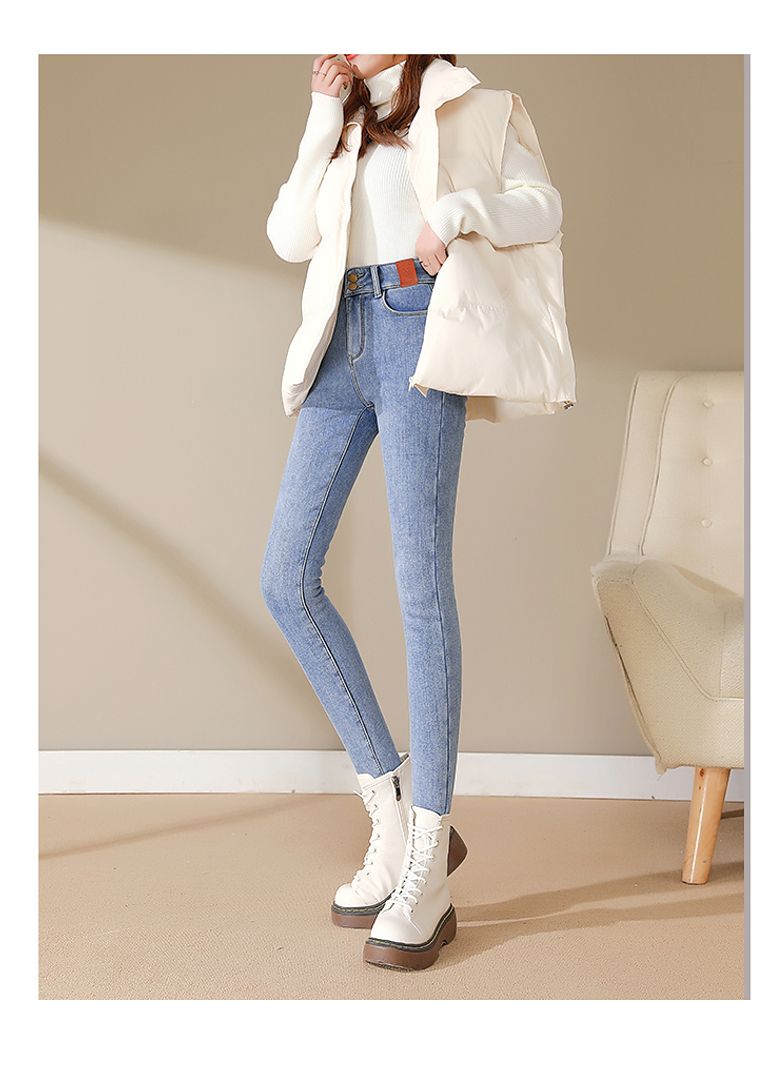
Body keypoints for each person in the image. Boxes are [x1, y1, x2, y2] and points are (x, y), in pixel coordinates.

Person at [260, 54, 576, 971]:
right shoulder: (345, 117)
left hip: (416, 322)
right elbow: (289, 237)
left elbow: (544, 205)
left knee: (419, 585)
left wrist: (457, 212)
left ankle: (429, 859)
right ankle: (392, 811)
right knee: (286, 578)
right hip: (341, 336)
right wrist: (321, 119)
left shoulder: (470, 104)